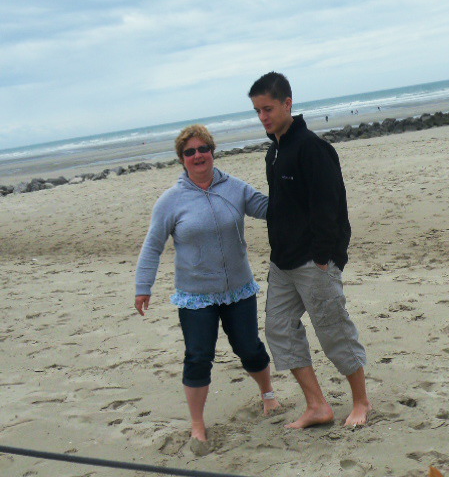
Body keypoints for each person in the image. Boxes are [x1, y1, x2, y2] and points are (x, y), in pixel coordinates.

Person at [134, 124, 280, 454]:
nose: (198, 156)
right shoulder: (170, 201)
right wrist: (143, 287)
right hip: (195, 296)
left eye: (203, 149)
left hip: (238, 290)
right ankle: (198, 425)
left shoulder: (235, 188)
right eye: (190, 152)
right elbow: (153, 246)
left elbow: (270, 209)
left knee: (250, 348)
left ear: (213, 152)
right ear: (182, 159)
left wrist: (296, 187)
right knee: (199, 357)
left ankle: (268, 394)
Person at [248, 72, 371, 429]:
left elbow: (330, 207)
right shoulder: (274, 152)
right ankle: (317, 405)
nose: (263, 117)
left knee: (333, 331)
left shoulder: (312, 148)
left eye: (268, 109)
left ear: (287, 104)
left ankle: (361, 402)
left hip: (314, 261)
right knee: (279, 329)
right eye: (257, 111)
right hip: (282, 262)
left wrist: (324, 258)